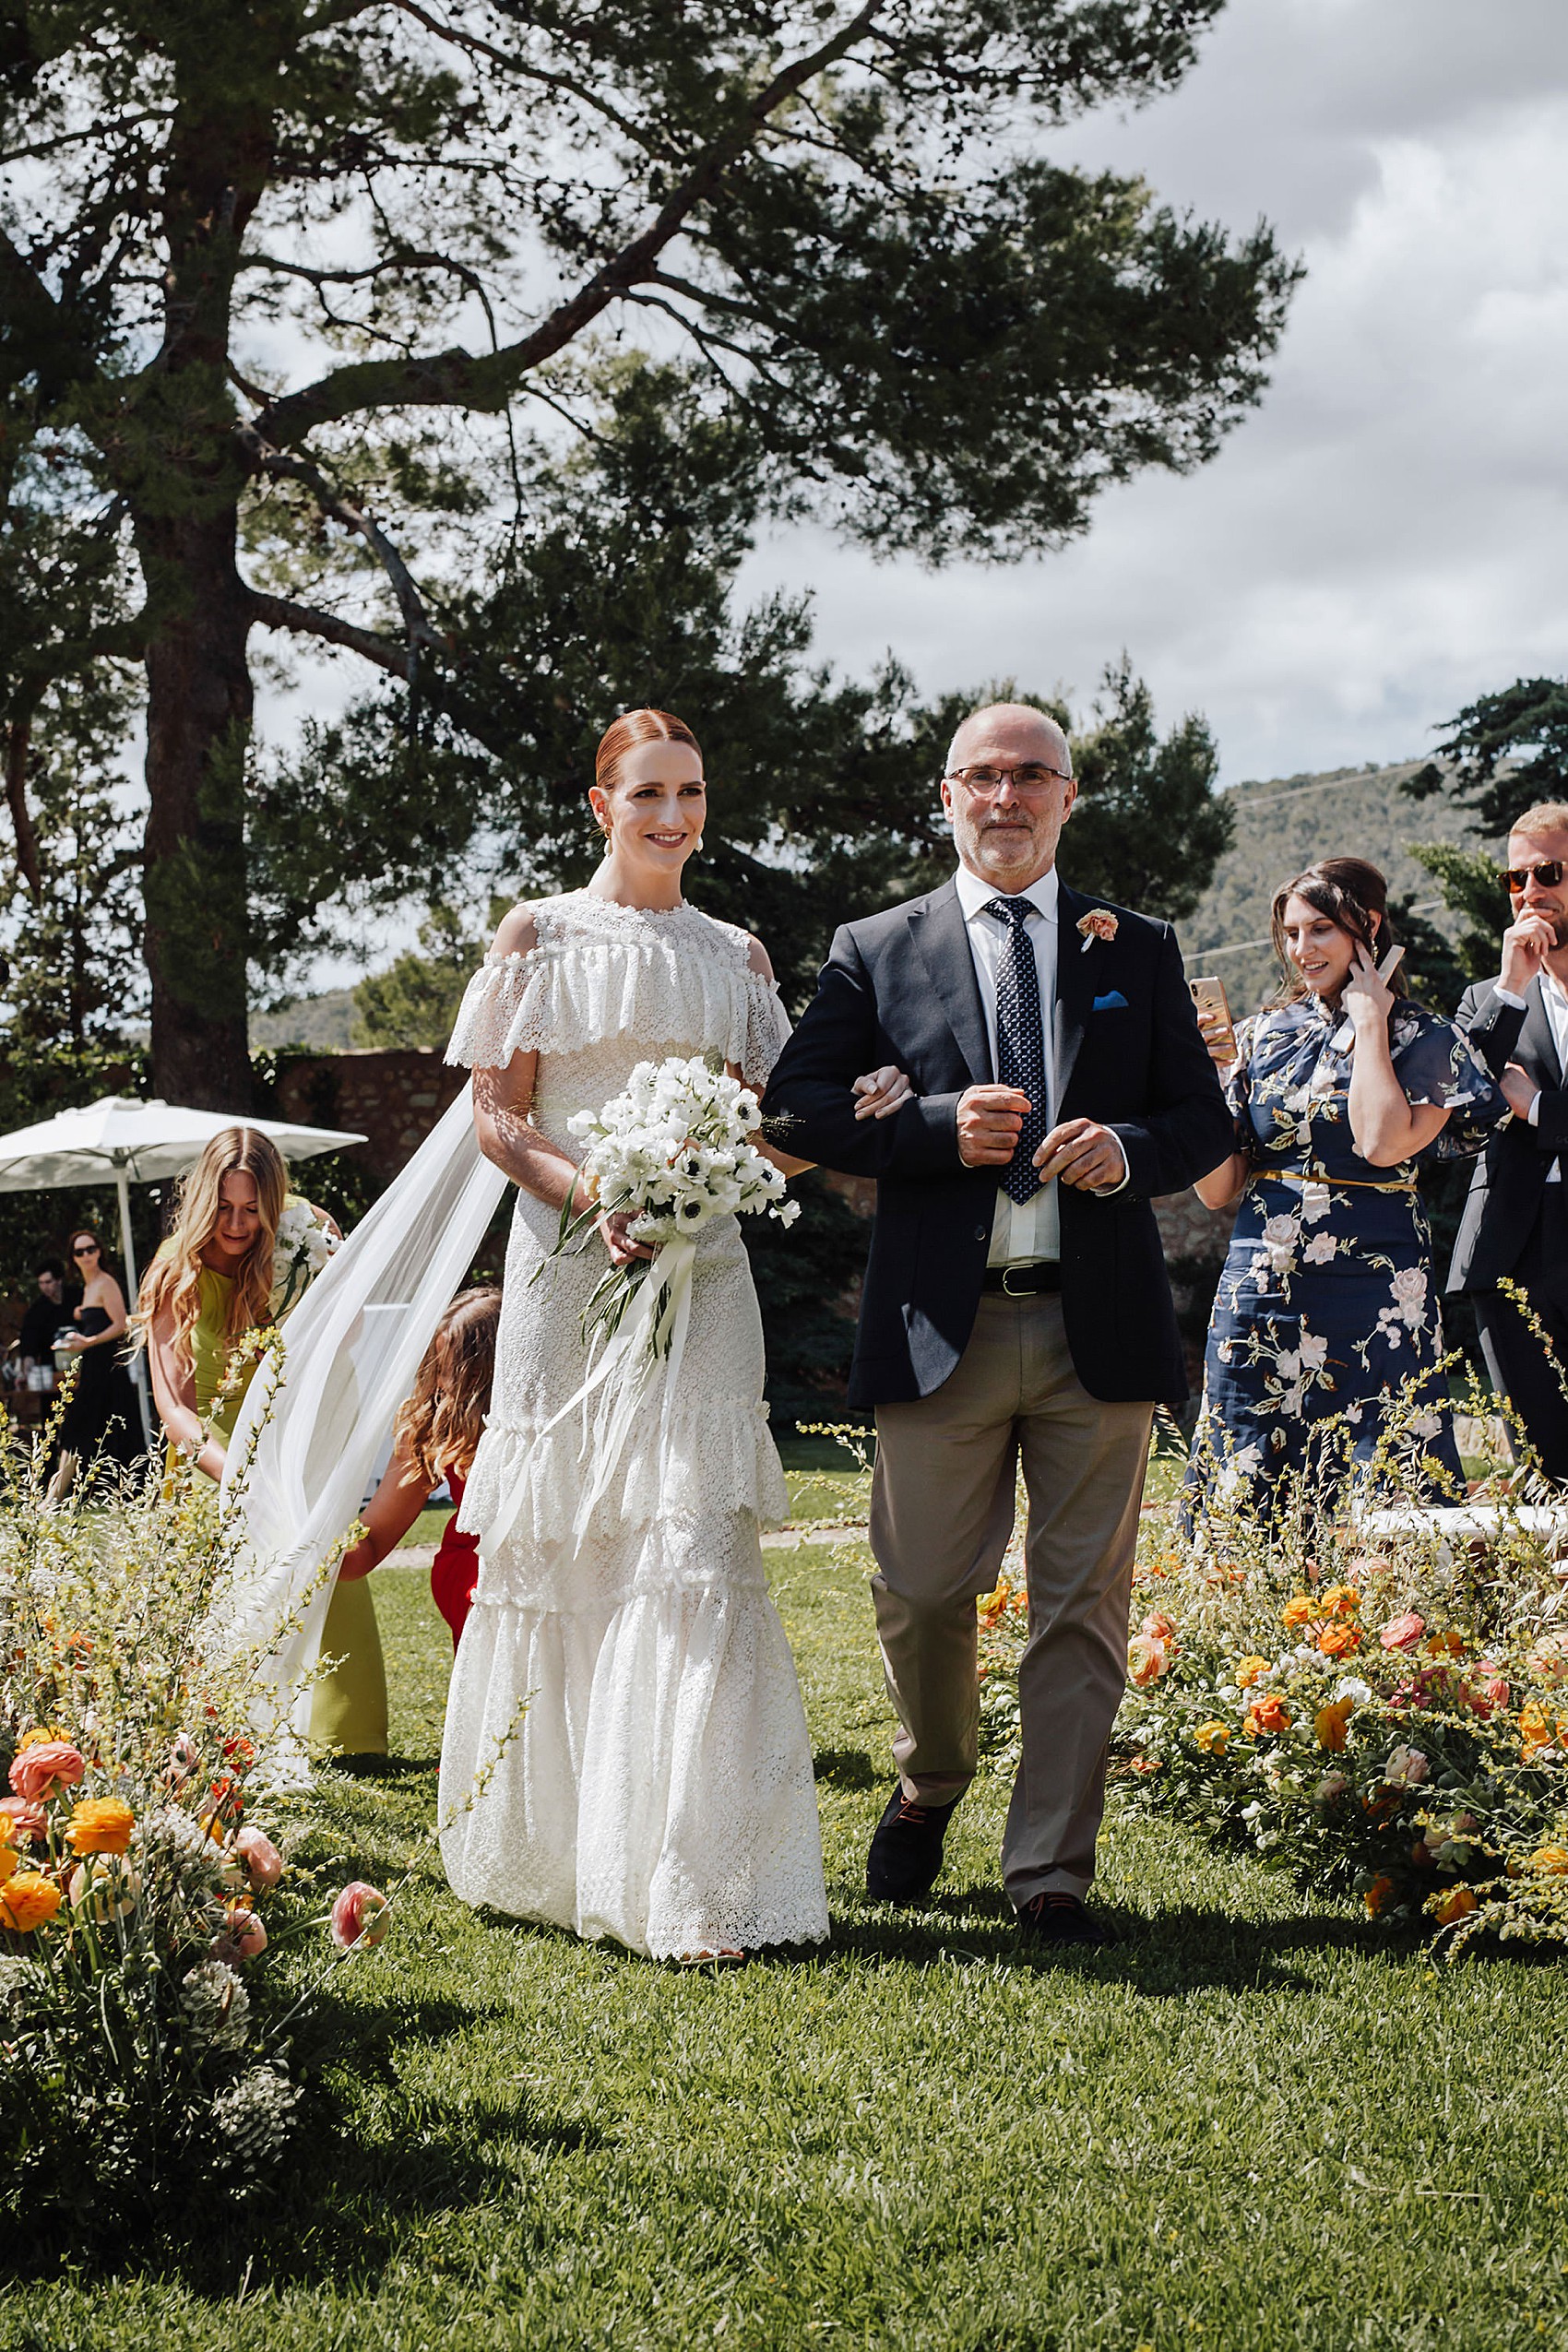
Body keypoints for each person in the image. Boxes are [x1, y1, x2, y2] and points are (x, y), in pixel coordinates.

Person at [764, 700, 1233, 1948]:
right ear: (947, 794)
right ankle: (929, 1781)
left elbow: (1202, 1122)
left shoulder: (1137, 945)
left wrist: (1127, 1151)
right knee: (922, 1591)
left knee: (1082, 1605)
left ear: (1068, 796)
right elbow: (795, 1106)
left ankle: (1049, 1872)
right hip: (938, 1326)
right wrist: (923, 1131)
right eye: (986, 776)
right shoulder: (879, 945)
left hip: (1102, 1331)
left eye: (1034, 776)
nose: (1009, 797)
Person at [438, 706, 889, 1964]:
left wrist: (836, 1116)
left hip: (705, 1273)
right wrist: (603, 1194)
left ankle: (689, 1879)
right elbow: (499, 1118)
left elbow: (771, 1132)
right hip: (567, 1267)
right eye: (649, 794)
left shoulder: (738, 956)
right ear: (602, 805)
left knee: (690, 1547)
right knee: (570, 1538)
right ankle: (549, 1853)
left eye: (691, 792)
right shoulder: (539, 934)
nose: (675, 817)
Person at [1189, 857, 1506, 1514]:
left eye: (1321, 930)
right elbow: (1217, 1191)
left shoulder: (1426, 1040)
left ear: (1369, 927)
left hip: (1378, 1292)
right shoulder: (1257, 1039)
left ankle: (1402, 1616)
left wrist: (1369, 1023)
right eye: (1292, 933)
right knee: (1248, 1472)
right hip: (1262, 1291)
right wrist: (1198, 1087)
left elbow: (1380, 1142)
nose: (1302, 950)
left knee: (1389, 1470)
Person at [137, 1127, 387, 1758]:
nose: (238, 1224)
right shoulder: (175, 1269)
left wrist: (336, 1270)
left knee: (319, 1558)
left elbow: (348, 1335)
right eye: (223, 1208)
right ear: (202, 1202)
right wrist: (245, 1479)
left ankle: (340, 1733)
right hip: (213, 1452)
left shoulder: (304, 1234)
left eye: (252, 1209)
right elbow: (175, 1409)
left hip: (298, 1437)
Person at [1448, 803, 1568, 1479]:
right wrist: (1513, 985)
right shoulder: (1486, 999)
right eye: (1514, 879)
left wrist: (1540, 1107)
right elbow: (1459, 1101)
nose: (1529, 892)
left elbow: (1516, 1102)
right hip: (1509, 1250)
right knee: (1544, 1469)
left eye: (1547, 872)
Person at [338, 1286, 502, 1648]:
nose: (439, 1385)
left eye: (453, 1372)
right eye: (436, 1368)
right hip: (473, 1582)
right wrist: (302, 1537)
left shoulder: (553, 1421)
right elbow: (367, 1547)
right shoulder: (432, 1425)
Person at [49, 1229, 144, 1492]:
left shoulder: (105, 1282)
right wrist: (81, 1316)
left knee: (81, 1427)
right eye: (80, 1252)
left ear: (99, 1251)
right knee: (98, 1428)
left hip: (107, 1368)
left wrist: (87, 1342)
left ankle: (53, 1497)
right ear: (73, 1258)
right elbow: (98, 1319)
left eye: (91, 1249)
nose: (87, 1255)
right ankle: (127, 1492)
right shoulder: (89, 1286)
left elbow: (121, 1324)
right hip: (95, 1368)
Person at [18, 1256, 75, 1384]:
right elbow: (29, 1342)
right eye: (41, 1283)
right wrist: (27, 1369)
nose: (44, 1287)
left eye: (48, 1282)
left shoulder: (77, 1297)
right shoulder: (36, 1311)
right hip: (52, 1371)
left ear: (59, 1280)